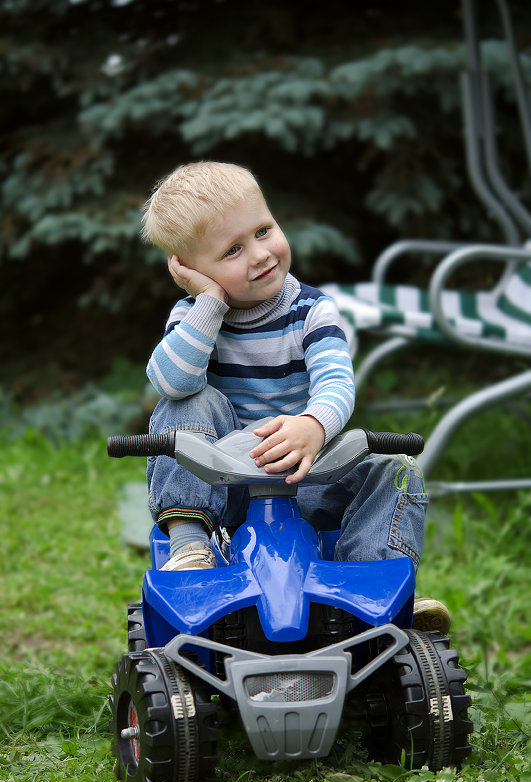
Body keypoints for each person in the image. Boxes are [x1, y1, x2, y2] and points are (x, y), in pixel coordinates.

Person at [141, 160, 450, 634]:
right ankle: (190, 547)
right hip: (222, 487)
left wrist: (314, 424)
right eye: (233, 250)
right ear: (192, 271)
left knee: (396, 469)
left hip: (306, 475)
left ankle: (372, 584)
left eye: (264, 230)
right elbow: (170, 383)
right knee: (186, 402)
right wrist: (209, 303)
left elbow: (336, 382)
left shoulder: (310, 309)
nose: (261, 254)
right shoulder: (193, 316)